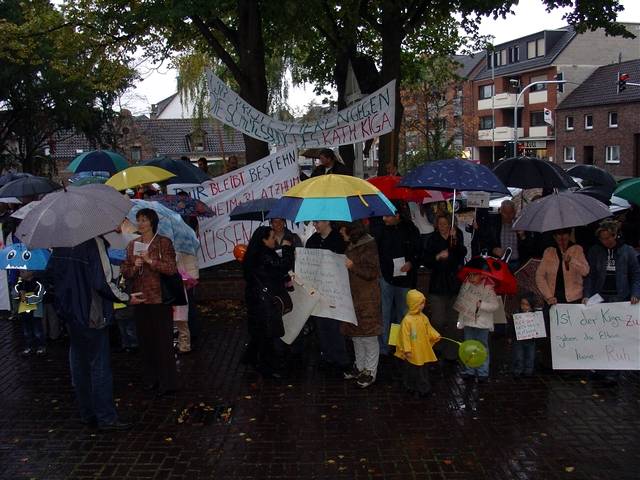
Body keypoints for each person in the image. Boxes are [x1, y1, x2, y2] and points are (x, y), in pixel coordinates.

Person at [49, 235, 144, 430]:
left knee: (79, 363)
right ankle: (106, 417)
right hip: (92, 313)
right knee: (99, 365)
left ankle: (87, 412)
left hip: (70, 313)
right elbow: (103, 282)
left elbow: (51, 275)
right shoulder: (94, 243)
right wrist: (126, 297)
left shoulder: (61, 244)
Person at [121, 208, 180, 397]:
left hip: (159, 298)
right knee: (145, 342)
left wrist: (150, 261)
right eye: (138, 220)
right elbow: (125, 271)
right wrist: (133, 267)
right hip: (140, 298)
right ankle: (150, 378)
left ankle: (168, 381)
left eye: (144, 220)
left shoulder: (163, 243)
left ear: (152, 222)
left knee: (163, 341)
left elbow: (171, 269)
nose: (141, 223)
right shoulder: (132, 245)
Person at [242, 226, 294, 378]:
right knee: (268, 334)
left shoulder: (254, 255)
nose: (275, 240)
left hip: (256, 299)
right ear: (264, 240)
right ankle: (268, 367)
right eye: (272, 238)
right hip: (264, 301)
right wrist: (287, 249)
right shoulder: (264, 255)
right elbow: (283, 266)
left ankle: (254, 359)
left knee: (260, 333)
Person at [535, 228, 589, 369]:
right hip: (554, 299)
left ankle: (572, 364)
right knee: (550, 334)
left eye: (564, 234)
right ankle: (551, 364)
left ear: (569, 234)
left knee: (571, 334)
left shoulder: (577, 249)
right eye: (558, 235)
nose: (562, 237)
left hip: (573, 299)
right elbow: (540, 276)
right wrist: (548, 296)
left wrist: (571, 261)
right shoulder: (549, 252)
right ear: (554, 236)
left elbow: (585, 271)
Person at [338, 221, 382, 389]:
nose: (341, 232)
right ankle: (360, 366)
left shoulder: (368, 245)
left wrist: (352, 266)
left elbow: (372, 272)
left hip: (367, 297)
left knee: (369, 335)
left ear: (351, 229)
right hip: (354, 296)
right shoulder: (352, 244)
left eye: (342, 229)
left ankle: (370, 371)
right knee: (356, 334)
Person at [372, 205, 420, 355]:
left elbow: (419, 251)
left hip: (404, 279)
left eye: (387, 216)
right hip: (385, 277)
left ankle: (399, 344)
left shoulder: (410, 229)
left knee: (403, 314)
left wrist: (411, 262)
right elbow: (375, 250)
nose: (384, 219)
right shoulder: (380, 229)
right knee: (384, 314)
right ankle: (384, 347)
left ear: (397, 215)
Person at [421, 214, 467, 361]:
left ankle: (451, 351)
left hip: (454, 284)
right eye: (440, 224)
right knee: (438, 320)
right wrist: (437, 257)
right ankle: (437, 346)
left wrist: (454, 241)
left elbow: (461, 254)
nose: (443, 227)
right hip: (438, 285)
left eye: (446, 223)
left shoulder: (456, 235)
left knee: (454, 321)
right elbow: (426, 260)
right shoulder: (433, 238)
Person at [306, 220, 350, 370]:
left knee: (335, 324)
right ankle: (327, 355)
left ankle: (340, 357)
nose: (315, 225)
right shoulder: (313, 240)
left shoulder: (339, 240)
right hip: (318, 289)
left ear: (326, 221)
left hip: (335, 290)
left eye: (317, 222)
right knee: (321, 324)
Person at [394, 289, 441, 396]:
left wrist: (435, 335)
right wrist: (407, 349)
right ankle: (410, 386)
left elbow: (429, 328)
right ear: (414, 304)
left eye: (423, 303)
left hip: (422, 349)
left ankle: (423, 388)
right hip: (412, 351)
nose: (423, 305)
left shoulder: (423, 317)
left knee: (422, 369)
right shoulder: (407, 320)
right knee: (412, 369)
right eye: (421, 303)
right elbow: (404, 336)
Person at [583, 220, 640, 305]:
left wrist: (635, 293)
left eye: (608, 238)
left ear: (615, 235)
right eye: (602, 239)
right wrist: (587, 295)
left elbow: (636, 275)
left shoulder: (628, 251)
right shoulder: (595, 251)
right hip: (599, 297)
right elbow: (591, 275)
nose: (605, 241)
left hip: (622, 297)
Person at [456, 272, 499, 381]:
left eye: (474, 275)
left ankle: (482, 372)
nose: (471, 277)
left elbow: (495, 306)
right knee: (469, 347)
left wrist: (482, 304)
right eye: (469, 275)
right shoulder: (466, 285)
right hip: (468, 322)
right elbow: (462, 304)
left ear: (482, 275)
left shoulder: (488, 288)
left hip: (482, 324)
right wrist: (460, 321)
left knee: (482, 347)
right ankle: (469, 370)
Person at [476, 199, 536, 270]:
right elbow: (484, 242)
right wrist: (492, 249)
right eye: (505, 213)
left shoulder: (520, 224)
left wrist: (523, 237)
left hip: (517, 264)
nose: (508, 216)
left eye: (511, 213)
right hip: (498, 263)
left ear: (515, 212)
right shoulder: (493, 224)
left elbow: (530, 248)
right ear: (500, 211)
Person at [14, 270, 46, 356]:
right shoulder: (20, 284)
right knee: (26, 331)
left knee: (37, 331)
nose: (20, 274)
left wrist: (26, 298)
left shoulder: (38, 283)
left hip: (35, 312)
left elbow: (39, 297)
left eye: (23, 272)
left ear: (31, 272)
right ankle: (29, 347)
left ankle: (41, 347)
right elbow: (13, 294)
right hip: (24, 312)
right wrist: (19, 294)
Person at [511, 291, 538, 377]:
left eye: (527, 305)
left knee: (530, 356)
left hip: (531, 340)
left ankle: (528, 371)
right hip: (518, 339)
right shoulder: (517, 313)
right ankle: (518, 370)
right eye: (523, 304)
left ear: (532, 305)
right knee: (518, 356)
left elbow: (539, 327)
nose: (524, 307)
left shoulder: (535, 315)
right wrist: (510, 336)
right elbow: (511, 326)